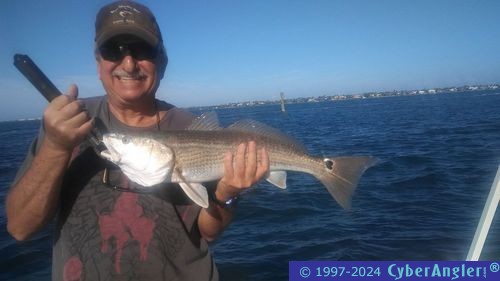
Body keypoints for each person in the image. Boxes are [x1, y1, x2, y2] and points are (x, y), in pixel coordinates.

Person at [6, 1, 269, 280]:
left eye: (143, 50)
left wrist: (227, 195)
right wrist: (57, 146)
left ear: (162, 62)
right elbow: (21, 228)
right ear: (98, 64)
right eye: (113, 50)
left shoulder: (193, 129)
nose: (129, 63)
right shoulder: (65, 123)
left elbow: (208, 233)